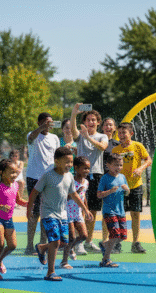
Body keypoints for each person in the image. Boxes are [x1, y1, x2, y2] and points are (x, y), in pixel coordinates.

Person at [27, 147, 93, 281]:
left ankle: (42, 247)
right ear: (57, 162)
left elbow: (74, 194)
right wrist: (29, 209)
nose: (69, 165)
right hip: (48, 213)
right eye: (66, 162)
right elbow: (34, 192)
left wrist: (85, 209)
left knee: (64, 242)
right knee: (56, 241)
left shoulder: (69, 176)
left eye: (71, 162)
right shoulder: (48, 175)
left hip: (63, 214)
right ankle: (50, 272)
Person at [70, 103, 108, 254]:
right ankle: (78, 242)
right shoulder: (80, 136)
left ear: (98, 122)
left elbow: (103, 147)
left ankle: (88, 241)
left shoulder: (102, 136)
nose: (91, 122)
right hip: (80, 176)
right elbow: (73, 130)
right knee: (78, 209)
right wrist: (74, 113)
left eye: (94, 120)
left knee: (92, 210)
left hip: (96, 175)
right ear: (84, 122)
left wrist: (89, 138)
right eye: (88, 120)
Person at [112, 122, 152, 253]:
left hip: (135, 185)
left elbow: (148, 160)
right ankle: (117, 241)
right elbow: (111, 167)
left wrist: (140, 169)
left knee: (135, 214)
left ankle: (136, 242)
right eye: (120, 133)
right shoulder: (116, 150)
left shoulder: (137, 146)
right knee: (119, 215)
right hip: (120, 187)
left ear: (131, 134)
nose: (121, 135)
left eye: (124, 133)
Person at [25, 112, 60, 255]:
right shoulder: (32, 135)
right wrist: (41, 128)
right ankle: (29, 246)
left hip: (49, 178)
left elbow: (57, 156)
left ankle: (42, 244)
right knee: (34, 212)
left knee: (46, 213)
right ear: (39, 123)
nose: (49, 125)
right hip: (34, 177)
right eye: (46, 122)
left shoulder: (55, 138)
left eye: (50, 122)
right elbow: (32, 137)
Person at [0, 159, 28, 280]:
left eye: (16, 172)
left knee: (12, 245)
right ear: (2, 172)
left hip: (8, 219)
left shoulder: (15, 185)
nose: (14, 175)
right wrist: (1, 206)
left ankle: (0, 260)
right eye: (11, 172)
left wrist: (29, 203)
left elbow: (18, 200)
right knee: (0, 245)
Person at [97, 153, 129, 267]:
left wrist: (127, 190)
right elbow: (99, 195)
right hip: (109, 211)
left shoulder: (122, 177)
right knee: (114, 235)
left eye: (120, 165)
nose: (119, 168)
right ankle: (105, 260)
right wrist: (110, 191)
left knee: (122, 237)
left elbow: (127, 192)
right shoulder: (105, 178)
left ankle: (105, 244)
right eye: (116, 165)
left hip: (121, 211)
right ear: (108, 165)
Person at [60, 156, 90, 269]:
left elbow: (83, 197)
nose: (87, 171)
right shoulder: (69, 180)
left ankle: (70, 247)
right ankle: (64, 261)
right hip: (67, 212)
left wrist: (86, 210)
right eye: (84, 168)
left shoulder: (86, 182)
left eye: (88, 168)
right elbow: (64, 197)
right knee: (71, 237)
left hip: (77, 213)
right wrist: (75, 193)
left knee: (83, 236)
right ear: (76, 168)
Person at [100, 117, 121, 253]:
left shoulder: (117, 144)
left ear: (114, 128)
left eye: (111, 125)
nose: (108, 127)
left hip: (114, 180)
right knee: (103, 210)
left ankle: (112, 240)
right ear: (102, 127)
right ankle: (104, 239)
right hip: (102, 178)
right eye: (106, 125)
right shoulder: (100, 140)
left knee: (114, 210)